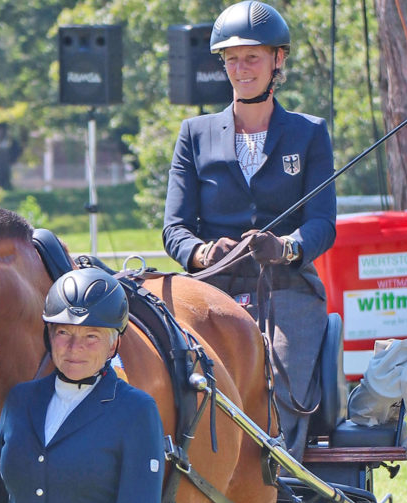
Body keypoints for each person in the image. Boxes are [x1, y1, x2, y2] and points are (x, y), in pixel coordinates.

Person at [162, 0, 336, 460]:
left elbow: (322, 223)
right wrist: (202, 254)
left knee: (277, 384)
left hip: (287, 288)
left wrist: (286, 247)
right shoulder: (195, 134)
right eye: (232, 59)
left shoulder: (310, 134)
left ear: (278, 60)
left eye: (252, 57)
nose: (241, 69)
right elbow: (175, 228)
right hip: (211, 291)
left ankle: (279, 475)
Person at [0, 268, 165, 503]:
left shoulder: (136, 412)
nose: (75, 349)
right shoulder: (20, 401)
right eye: (64, 333)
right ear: (49, 336)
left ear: (113, 345)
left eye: (91, 336)